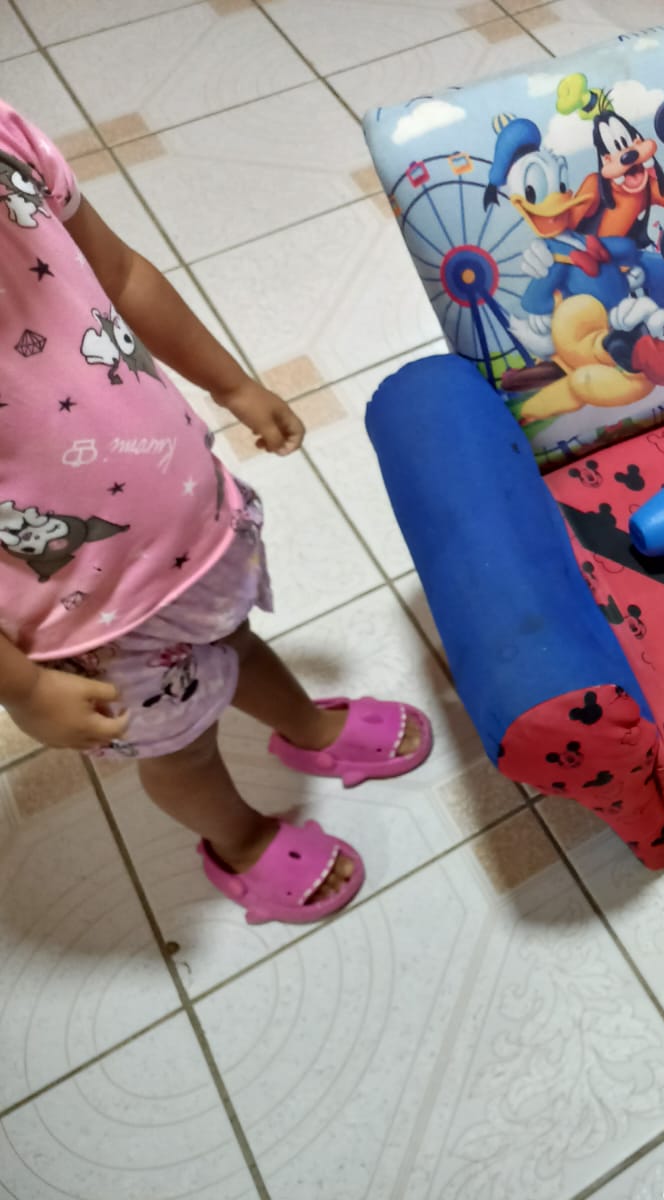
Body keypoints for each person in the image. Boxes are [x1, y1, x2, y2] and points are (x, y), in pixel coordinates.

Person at [0, 102, 432, 925]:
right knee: (183, 749)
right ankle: (242, 841)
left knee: (232, 634)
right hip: (82, 622)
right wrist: (21, 688)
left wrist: (230, 383)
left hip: (186, 521)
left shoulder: (6, 136)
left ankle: (305, 726)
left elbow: (117, 271)